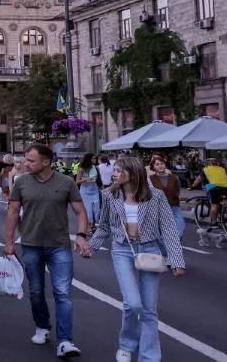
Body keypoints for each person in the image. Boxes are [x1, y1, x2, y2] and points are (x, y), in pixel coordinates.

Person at [89, 156, 186, 362]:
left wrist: (177, 261)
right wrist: (92, 246)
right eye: (114, 170)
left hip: (150, 250)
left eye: (118, 170)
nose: (113, 174)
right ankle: (126, 344)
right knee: (133, 303)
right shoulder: (109, 195)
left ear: (132, 173)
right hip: (123, 250)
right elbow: (104, 226)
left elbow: (168, 229)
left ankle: (149, 357)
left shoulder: (156, 196)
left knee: (149, 309)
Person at [5, 144, 92, 359]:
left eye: (31, 160)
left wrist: (81, 235)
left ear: (46, 162)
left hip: (59, 246)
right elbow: (13, 212)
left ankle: (65, 341)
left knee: (63, 293)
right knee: (36, 292)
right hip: (31, 244)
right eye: (26, 159)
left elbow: (81, 212)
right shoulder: (21, 182)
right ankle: (42, 326)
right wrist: (9, 243)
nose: (26, 164)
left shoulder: (66, 183)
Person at [147, 153, 185, 242]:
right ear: (153, 167)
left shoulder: (174, 177)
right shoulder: (151, 179)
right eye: (157, 164)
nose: (160, 166)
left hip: (174, 207)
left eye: (162, 163)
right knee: (161, 236)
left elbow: (177, 189)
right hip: (159, 209)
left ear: (165, 165)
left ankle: (174, 245)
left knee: (180, 232)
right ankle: (165, 253)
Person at [190, 157, 227, 230]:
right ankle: (221, 215)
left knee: (214, 205)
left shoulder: (205, 169)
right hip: (225, 188)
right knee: (220, 202)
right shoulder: (222, 169)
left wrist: (192, 186)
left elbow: (198, 180)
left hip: (214, 188)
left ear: (208, 163)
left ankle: (214, 223)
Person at [74, 152, 101, 233]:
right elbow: (77, 181)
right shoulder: (81, 168)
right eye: (93, 158)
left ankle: (93, 225)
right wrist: (86, 179)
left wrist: (101, 188)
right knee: (88, 210)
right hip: (85, 191)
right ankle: (89, 227)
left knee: (97, 209)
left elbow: (98, 180)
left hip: (94, 190)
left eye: (95, 158)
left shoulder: (96, 167)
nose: (95, 160)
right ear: (89, 159)